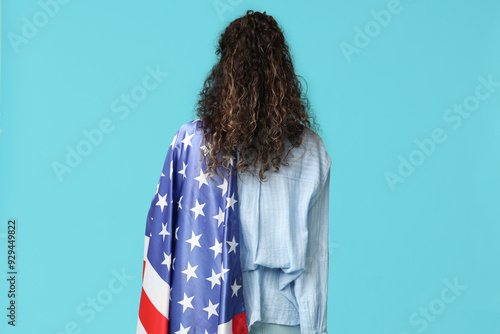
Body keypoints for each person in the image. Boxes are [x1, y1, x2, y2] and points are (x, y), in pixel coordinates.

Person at [194, 10, 332, 334]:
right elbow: (315, 257)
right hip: (280, 313)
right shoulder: (311, 150)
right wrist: (317, 329)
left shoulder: (201, 145)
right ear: (281, 71)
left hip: (214, 308)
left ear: (224, 72)